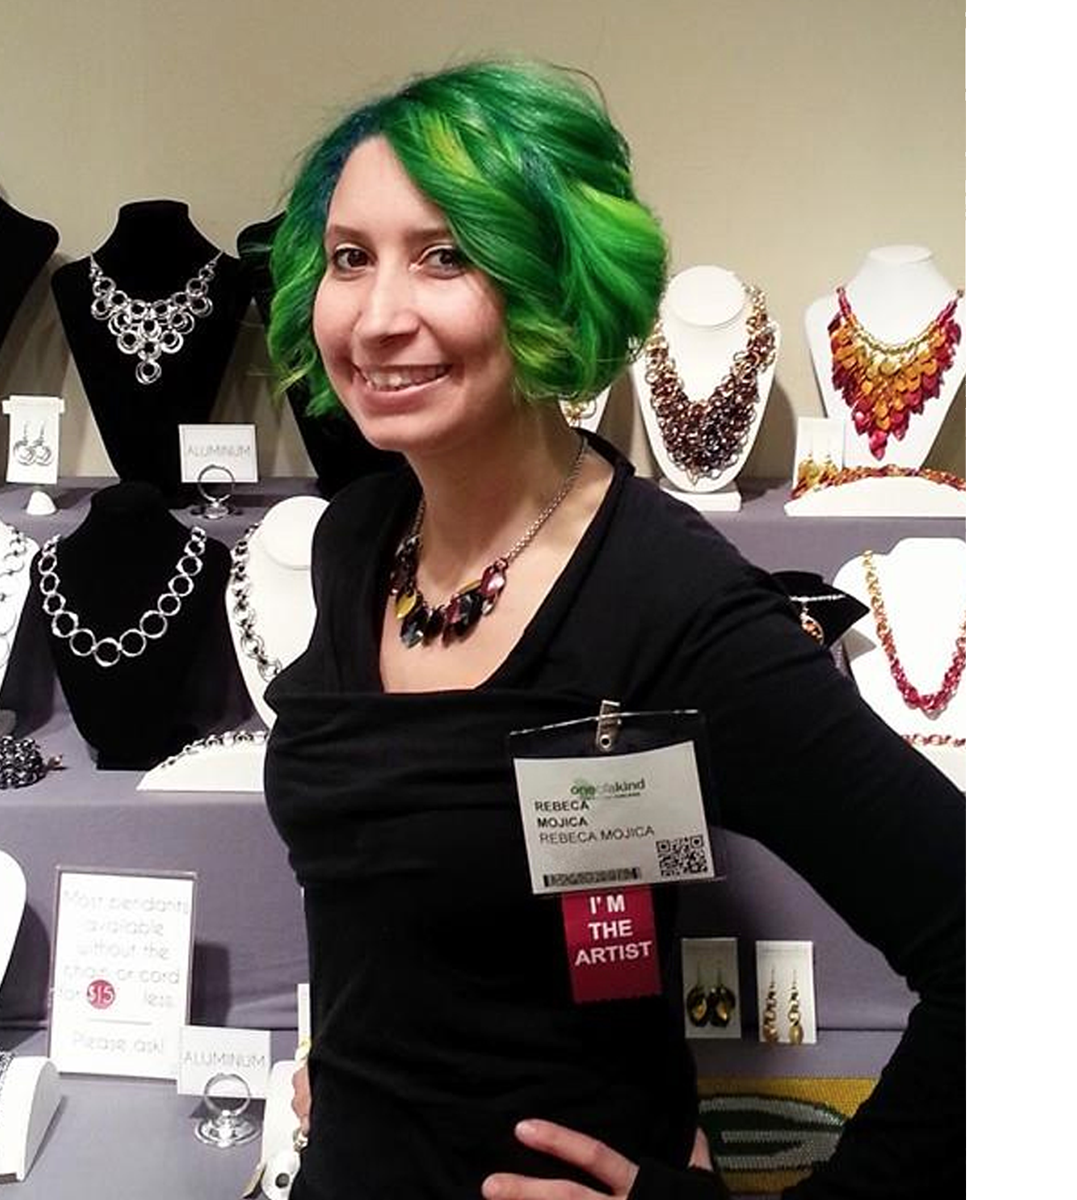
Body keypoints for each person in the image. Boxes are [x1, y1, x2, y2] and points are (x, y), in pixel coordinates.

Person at [262, 60, 964, 1199]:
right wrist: (355, 1049)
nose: (379, 315)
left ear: (551, 280)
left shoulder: (677, 609)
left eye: (446, 255)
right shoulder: (358, 540)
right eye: (351, 257)